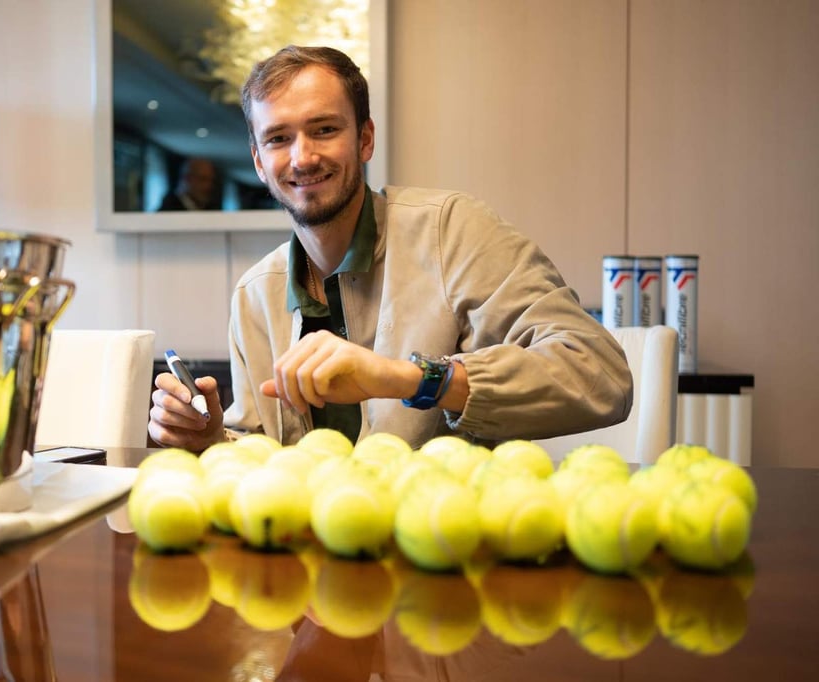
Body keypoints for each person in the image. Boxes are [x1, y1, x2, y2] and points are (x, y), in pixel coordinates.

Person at [148, 45, 632, 453]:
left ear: (364, 139)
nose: (302, 157)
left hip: (448, 546)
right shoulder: (255, 293)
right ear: (258, 161)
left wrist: (409, 378)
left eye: (324, 130)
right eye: (278, 138)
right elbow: (265, 454)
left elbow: (599, 374)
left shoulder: (452, 231)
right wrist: (212, 439)